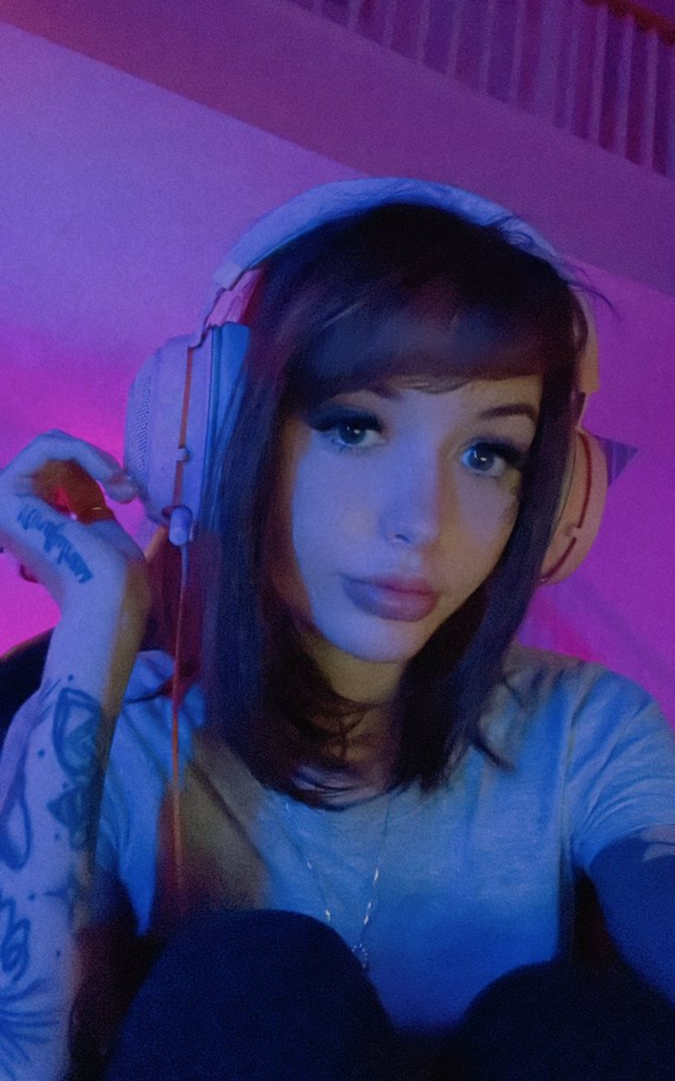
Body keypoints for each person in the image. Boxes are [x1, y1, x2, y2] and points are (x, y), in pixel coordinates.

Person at [1, 179, 674, 1081]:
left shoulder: (588, 729)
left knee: (576, 1028)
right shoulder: (120, 743)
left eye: (488, 454)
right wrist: (96, 617)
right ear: (225, 440)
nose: (421, 522)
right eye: (355, 427)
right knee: (256, 986)